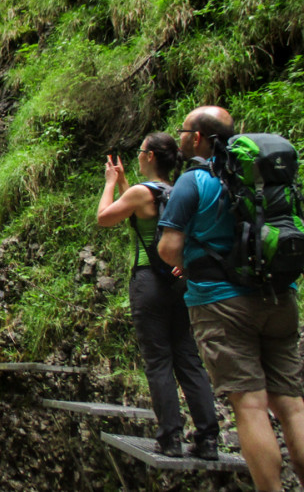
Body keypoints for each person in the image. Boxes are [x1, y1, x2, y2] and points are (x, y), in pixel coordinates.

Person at [159, 106, 304, 489]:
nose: (183, 137)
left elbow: (168, 247)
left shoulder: (194, 180)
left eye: (185, 131)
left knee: (251, 406)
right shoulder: (260, 179)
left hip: (222, 306)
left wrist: (190, 265)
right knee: (292, 406)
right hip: (280, 297)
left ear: (198, 138)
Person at [95, 133, 218, 458]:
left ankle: (170, 438)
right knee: (188, 358)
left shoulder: (141, 193)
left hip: (148, 280)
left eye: (140, 151)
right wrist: (125, 183)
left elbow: (105, 217)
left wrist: (110, 182)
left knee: (158, 359)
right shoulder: (178, 191)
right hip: (179, 282)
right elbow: (140, 218)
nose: (137, 156)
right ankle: (207, 439)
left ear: (149, 157)